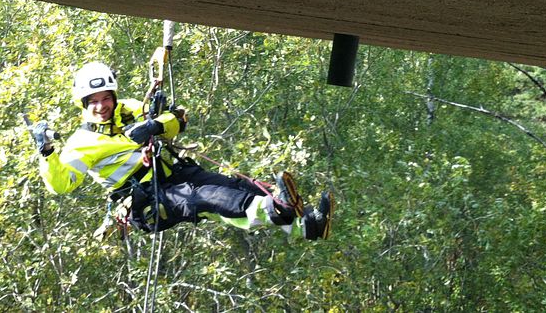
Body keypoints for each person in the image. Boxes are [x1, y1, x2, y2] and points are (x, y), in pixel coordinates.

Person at [34, 61, 334, 240]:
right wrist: (47, 152)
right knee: (207, 199)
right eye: (93, 101)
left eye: (105, 98)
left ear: (113, 95)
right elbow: (61, 185)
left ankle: (308, 226)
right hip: (146, 199)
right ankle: (276, 210)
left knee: (232, 185)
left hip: (173, 174)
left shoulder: (130, 109)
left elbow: (178, 119)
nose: (101, 106)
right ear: (83, 104)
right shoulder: (81, 143)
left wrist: (154, 125)